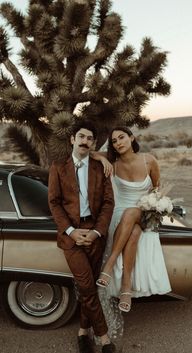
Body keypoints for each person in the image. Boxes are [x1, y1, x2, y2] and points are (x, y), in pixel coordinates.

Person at [48, 120, 116, 353]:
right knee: (86, 284)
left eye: (89, 138)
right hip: (71, 236)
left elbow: (108, 203)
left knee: (90, 287)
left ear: (93, 143)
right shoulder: (58, 166)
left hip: (96, 233)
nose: (85, 141)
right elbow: (54, 203)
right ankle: (105, 339)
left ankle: (82, 333)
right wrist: (71, 231)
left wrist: (97, 232)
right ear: (72, 139)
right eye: (81, 136)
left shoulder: (101, 167)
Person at [94, 126, 171, 313]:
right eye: (114, 141)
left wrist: (155, 204)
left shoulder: (149, 161)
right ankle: (126, 287)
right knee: (134, 230)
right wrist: (103, 158)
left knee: (132, 213)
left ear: (131, 138)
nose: (118, 142)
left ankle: (110, 263)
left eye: (122, 137)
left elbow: (156, 188)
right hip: (120, 214)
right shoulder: (114, 162)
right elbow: (89, 153)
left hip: (143, 211)